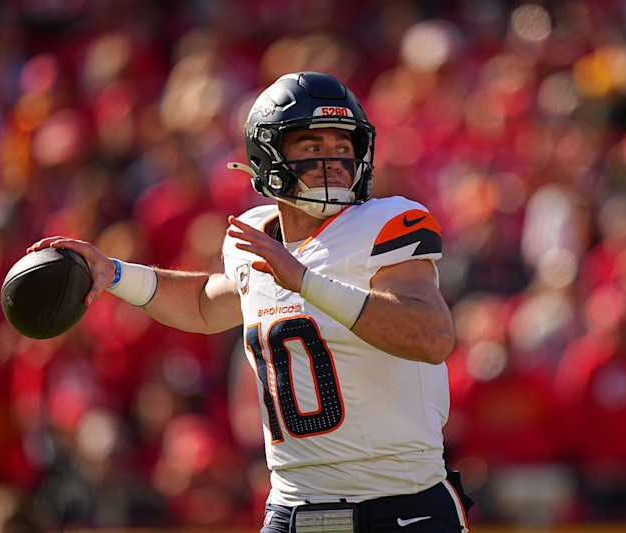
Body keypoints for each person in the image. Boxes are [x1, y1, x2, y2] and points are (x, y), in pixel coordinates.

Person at [28, 71, 472, 533]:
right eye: (313, 147)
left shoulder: (386, 222)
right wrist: (115, 273)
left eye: (344, 146)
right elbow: (204, 303)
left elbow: (432, 336)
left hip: (401, 506)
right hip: (293, 509)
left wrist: (305, 281)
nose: (335, 161)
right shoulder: (254, 238)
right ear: (269, 154)